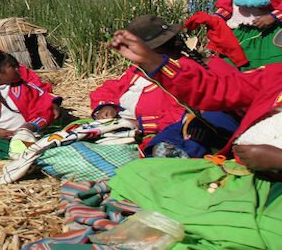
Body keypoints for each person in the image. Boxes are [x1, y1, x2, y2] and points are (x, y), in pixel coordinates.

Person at [102, 27, 282, 249]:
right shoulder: (275, 76)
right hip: (241, 173)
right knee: (137, 173)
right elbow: (217, 89)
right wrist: (152, 61)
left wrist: (277, 159)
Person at [90, 14, 237, 157]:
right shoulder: (138, 70)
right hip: (116, 125)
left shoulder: (184, 72)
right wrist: (105, 107)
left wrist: (140, 123)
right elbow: (111, 87)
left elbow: (186, 112)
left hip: (150, 133)